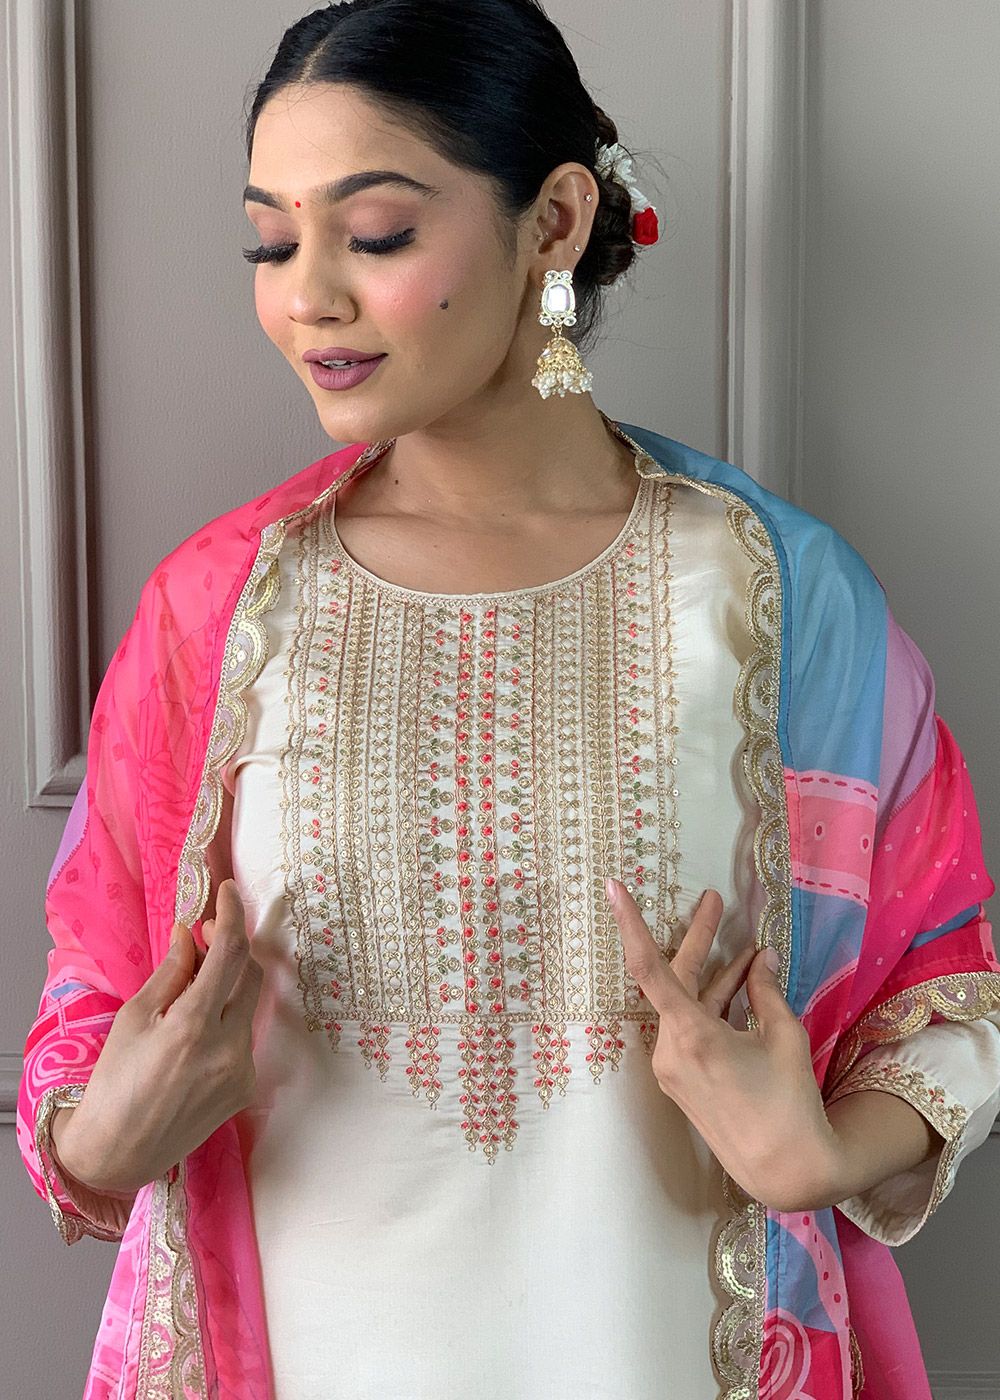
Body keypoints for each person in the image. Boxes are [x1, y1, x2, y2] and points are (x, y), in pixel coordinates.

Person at [15, 2, 1000, 1397]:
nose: (307, 295)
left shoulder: (779, 599)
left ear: (555, 220)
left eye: (375, 234)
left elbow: (942, 972)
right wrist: (103, 1140)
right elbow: (96, 990)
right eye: (271, 242)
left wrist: (823, 1154)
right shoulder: (220, 613)